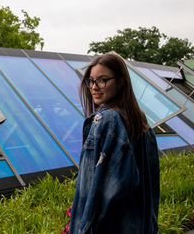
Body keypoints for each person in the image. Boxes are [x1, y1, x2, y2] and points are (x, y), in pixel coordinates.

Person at [67, 52, 160, 233]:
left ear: (121, 81)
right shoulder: (140, 123)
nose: (94, 87)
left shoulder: (105, 120)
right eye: (91, 81)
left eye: (102, 80)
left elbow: (94, 190)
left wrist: (83, 228)